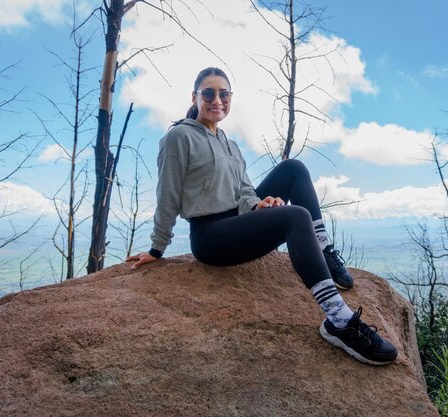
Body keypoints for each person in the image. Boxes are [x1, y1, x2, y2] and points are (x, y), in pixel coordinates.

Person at [126, 67, 397, 366]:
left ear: (230, 98)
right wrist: (157, 248)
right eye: (209, 93)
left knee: (293, 168)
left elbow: (244, 192)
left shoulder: (230, 144)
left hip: (237, 221)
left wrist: (258, 206)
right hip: (211, 237)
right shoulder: (179, 137)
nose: (217, 100)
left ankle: (323, 252)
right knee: (295, 217)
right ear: (195, 97)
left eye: (224, 93)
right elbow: (167, 195)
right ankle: (339, 321)